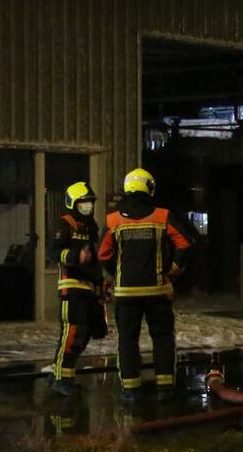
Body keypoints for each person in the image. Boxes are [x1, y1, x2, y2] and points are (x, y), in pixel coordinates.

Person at [98, 168, 193, 401]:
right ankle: (165, 387)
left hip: (126, 292)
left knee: (127, 339)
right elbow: (185, 243)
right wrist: (173, 271)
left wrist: (117, 272)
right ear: (148, 187)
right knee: (162, 337)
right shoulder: (162, 216)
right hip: (157, 290)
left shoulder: (113, 219)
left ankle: (131, 389)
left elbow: (103, 253)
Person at [50, 181, 103, 396]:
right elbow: (53, 252)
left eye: (89, 203)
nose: (87, 207)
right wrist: (75, 257)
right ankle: (61, 379)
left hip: (89, 288)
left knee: (85, 333)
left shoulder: (92, 228)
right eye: (83, 203)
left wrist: (101, 284)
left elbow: (96, 259)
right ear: (73, 203)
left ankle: (61, 375)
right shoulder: (64, 224)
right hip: (70, 287)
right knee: (72, 332)